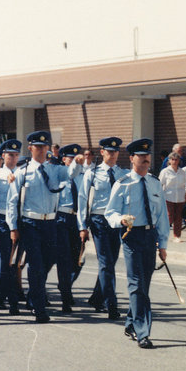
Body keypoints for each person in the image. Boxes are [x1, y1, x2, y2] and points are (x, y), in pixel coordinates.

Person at [104, 138, 170, 348]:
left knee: (145, 284)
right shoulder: (123, 184)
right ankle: (143, 332)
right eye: (141, 156)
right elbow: (110, 213)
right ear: (132, 158)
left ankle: (131, 323)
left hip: (150, 237)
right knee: (136, 284)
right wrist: (120, 220)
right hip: (131, 236)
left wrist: (163, 244)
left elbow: (162, 216)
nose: (145, 160)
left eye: (147, 156)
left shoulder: (154, 182)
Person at [6, 130, 70, 323]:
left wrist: (77, 162)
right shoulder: (22, 172)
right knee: (36, 266)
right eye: (38, 147)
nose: (41, 150)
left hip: (50, 222)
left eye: (44, 147)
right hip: (30, 223)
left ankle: (34, 298)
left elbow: (72, 173)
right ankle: (40, 310)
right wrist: (13, 227)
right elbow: (12, 201)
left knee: (48, 261)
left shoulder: (55, 170)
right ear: (31, 148)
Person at [78, 136, 124, 318]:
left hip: (117, 221)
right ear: (102, 152)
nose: (112, 155)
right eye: (109, 151)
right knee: (105, 262)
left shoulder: (122, 174)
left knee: (111, 262)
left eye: (115, 152)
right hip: (99, 220)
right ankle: (111, 304)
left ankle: (97, 298)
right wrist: (82, 226)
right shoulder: (93, 173)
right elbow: (83, 200)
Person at [0, 140, 20, 313]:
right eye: (10, 155)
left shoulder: (21, 172)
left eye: (16, 155)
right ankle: (10, 300)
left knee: (15, 262)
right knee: (5, 261)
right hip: (2, 221)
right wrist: (7, 176)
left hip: (20, 221)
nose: (13, 158)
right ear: (3, 156)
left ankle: (2, 295)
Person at [53, 143, 85, 312]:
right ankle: (66, 297)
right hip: (61, 219)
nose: (73, 160)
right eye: (70, 158)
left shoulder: (83, 176)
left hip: (77, 219)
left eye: (75, 157)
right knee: (64, 260)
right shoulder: (58, 175)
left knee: (79, 260)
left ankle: (65, 285)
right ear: (63, 159)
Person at [159, 152, 186, 242]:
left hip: (180, 197)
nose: (174, 161)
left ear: (179, 161)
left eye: (176, 159)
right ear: (169, 161)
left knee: (178, 217)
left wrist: (185, 195)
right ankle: (162, 235)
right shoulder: (165, 171)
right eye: (172, 159)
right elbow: (160, 184)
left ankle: (177, 236)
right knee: (169, 216)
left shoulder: (182, 172)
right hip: (168, 197)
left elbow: (185, 184)